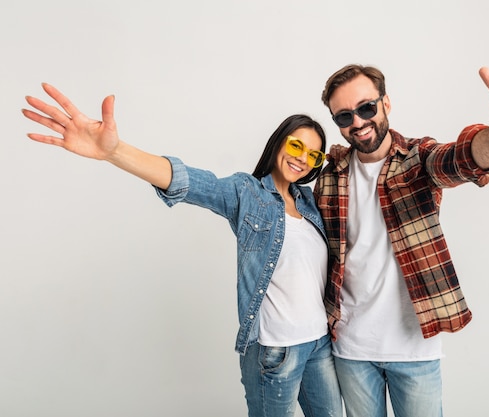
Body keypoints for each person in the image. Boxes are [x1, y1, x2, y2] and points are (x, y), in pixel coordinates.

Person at [22, 83, 343, 417]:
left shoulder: (309, 201)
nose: (302, 158)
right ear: (280, 142)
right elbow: (191, 182)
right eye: (296, 145)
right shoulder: (247, 194)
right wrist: (114, 151)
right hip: (276, 348)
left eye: (313, 155)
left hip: (319, 343)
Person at [313, 54, 489, 417]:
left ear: (386, 103)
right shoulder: (329, 176)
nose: (358, 122)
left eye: (366, 107)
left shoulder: (417, 159)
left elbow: (462, 160)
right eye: (344, 116)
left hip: (414, 350)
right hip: (350, 351)